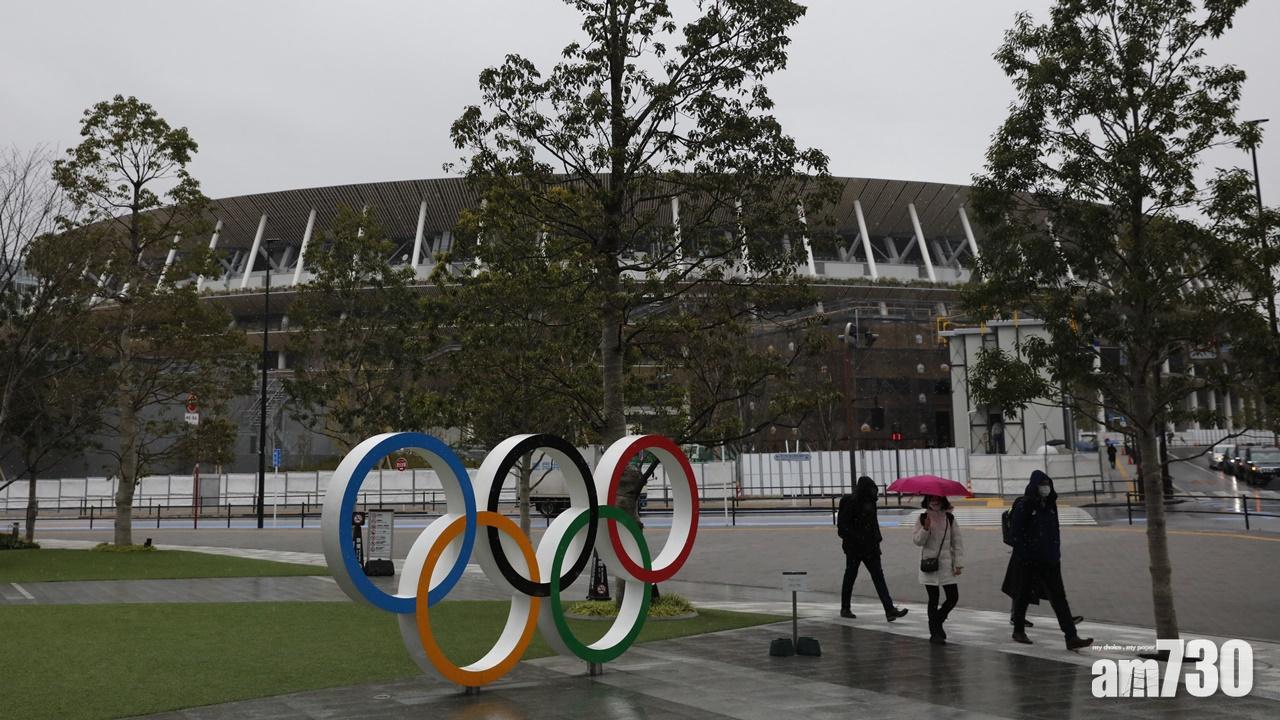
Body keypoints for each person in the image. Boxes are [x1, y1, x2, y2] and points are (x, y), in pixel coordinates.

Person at [1008, 470, 1093, 651]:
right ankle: (1018, 629)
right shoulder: (1025, 505)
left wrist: (1055, 552)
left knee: (1059, 597)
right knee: (1023, 594)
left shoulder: (1051, 505)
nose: (1045, 487)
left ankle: (1071, 637)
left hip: (1050, 559)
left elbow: (1055, 530)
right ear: (1035, 486)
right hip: (1029, 560)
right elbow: (1016, 533)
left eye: (1047, 484)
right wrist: (1026, 553)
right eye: (1042, 484)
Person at [837, 476, 909, 622]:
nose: (874, 493)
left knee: (875, 577)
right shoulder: (851, 502)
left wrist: (876, 540)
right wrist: (861, 538)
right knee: (853, 576)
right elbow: (843, 526)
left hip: (869, 547)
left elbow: (872, 524)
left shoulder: (869, 502)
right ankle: (846, 608)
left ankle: (889, 610)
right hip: (856, 548)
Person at [912, 494, 963, 645]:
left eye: (937, 498)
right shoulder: (923, 517)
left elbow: (957, 542)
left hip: (946, 565)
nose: (934, 501)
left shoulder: (950, 518)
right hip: (930, 564)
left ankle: (936, 623)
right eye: (931, 498)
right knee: (933, 599)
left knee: (953, 597)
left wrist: (958, 563)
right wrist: (926, 528)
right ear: (927, 500)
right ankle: (935, 633)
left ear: (942, 499)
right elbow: (917, 541)